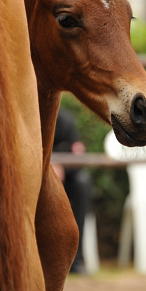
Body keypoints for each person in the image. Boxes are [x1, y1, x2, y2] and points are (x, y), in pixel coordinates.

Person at [52, 108, 92, 274]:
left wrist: (62, 167)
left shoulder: (64, 120)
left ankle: (76, 260)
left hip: (65, 179)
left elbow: (77, 155)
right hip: (32, 175)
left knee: (82, 183)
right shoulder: (26, 114)